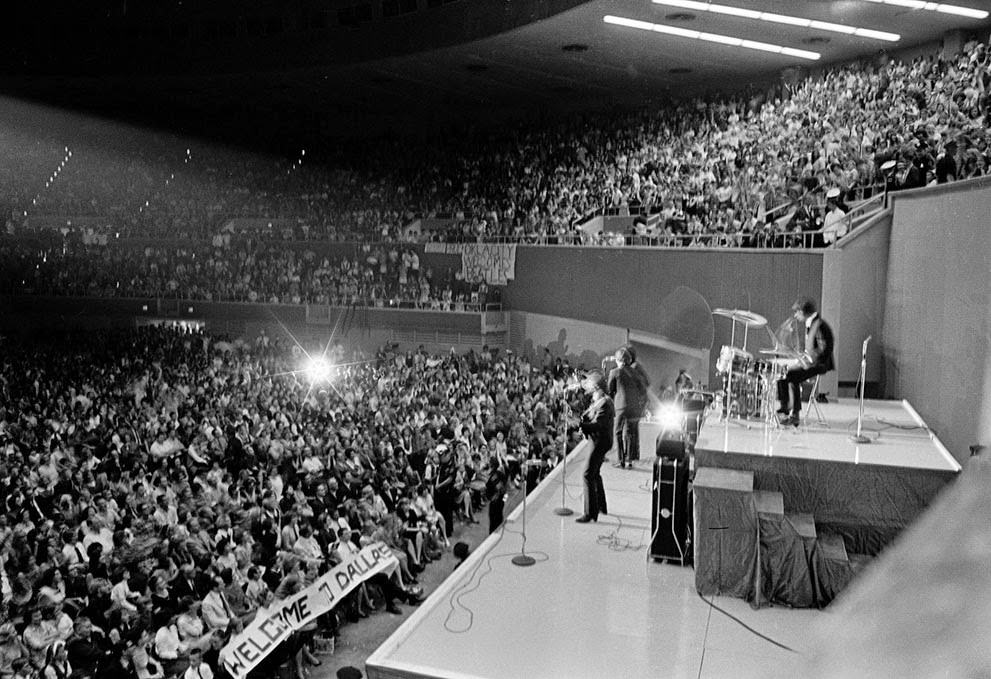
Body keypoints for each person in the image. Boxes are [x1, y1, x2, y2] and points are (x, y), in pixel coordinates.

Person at [776, 298, 835, 426]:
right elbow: (813, 348)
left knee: (792, 376)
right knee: (782, 373)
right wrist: (802, 357)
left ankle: (794, 415)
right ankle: (785, 408)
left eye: (797, 313)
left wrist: (808, 361)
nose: (796, 316)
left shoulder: (819, 325)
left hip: (820, 364)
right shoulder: (812, 322)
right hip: (812, 361)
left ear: (803, 312)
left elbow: (824, 349)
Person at [576, 370, 614, 523]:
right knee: (595, 473)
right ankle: (600, 506)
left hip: (600, 442)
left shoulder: (605, 402)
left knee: (587, 474)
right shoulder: (600, 400)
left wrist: (582, 425)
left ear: (597, 387)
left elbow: (599, 425)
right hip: (598, 440)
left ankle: (590, 513)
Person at [607, 348, 647, 469]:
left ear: (619, 360)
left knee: (618, 432)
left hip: (620, 406)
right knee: (630, 433)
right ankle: (630, 460)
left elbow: (610, 390)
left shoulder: (614, 372)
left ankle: (621, 460)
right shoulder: (636, 373)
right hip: (634, 407)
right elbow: (643, 390)